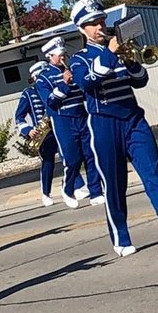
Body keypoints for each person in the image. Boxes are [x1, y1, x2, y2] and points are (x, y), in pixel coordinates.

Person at [58, 0, 158, 257]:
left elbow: (141, 80)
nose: (99, 27)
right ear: (81, 29)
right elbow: (89, 82)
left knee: (154, 175)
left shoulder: (120, 52)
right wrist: (111, 52)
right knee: (115, 184)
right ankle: (120, 236)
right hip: (104, 124)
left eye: (101, 21)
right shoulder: (80, 59)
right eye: (92, 24)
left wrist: (131, 61)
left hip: (134, 121)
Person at [39, 37, 104, 208]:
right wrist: (64, 84)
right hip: (63, 120)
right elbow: (51, 102)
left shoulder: (73, 70)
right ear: (50, 56)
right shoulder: (43, 78)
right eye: (59, 55)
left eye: (64, 54)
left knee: (91, 155)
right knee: (73, 159)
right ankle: (67, 189)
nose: (63, 58)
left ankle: (96, 191)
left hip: (82, 116)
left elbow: (84, 93)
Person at [16, 63, 60, 207]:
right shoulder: (29, 93)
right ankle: (46, 193)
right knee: (48, 162)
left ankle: (76, 186)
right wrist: (28, 130)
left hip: (59, 127)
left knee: (70, 157)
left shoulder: (53, 88)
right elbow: (19, 116)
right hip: (43, 134)